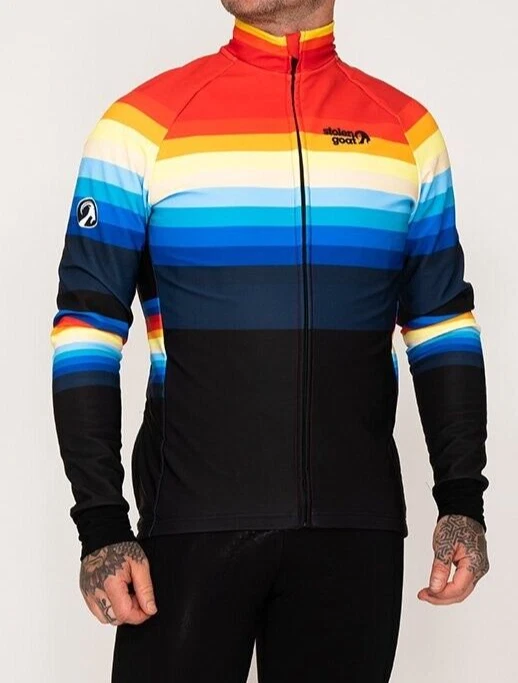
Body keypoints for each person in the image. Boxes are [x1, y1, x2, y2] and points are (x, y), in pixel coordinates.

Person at [50, 1, 490, 681]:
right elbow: (87, 330)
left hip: (354, 531)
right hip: (188, 526)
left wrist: (461, 500)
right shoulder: (141, 126)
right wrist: (102, 525)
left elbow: (441, 328)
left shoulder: (407, 132)